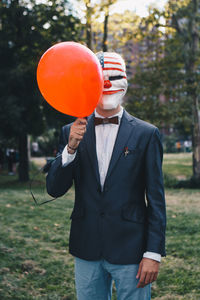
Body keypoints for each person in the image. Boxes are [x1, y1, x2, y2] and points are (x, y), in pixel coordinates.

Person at [46, 52, 166, 300]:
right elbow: (54, 189)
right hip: (86, 246)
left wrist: (153, 253)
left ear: (126, 82)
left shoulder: (146, 134)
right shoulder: (71, 131)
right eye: (100, 79)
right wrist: (70, 149)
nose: (107, 84)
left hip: (132, 249)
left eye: (114, 77)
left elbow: (156, 198)